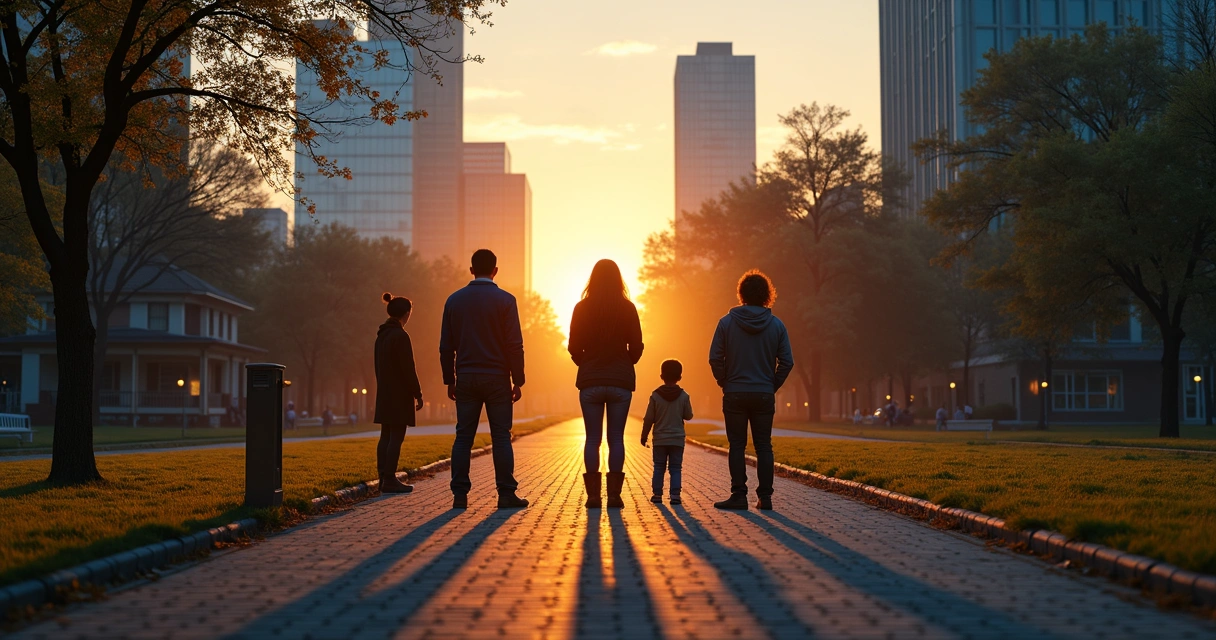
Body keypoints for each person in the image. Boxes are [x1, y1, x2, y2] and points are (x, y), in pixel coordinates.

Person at [441, 249, 528, 509]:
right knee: (501, 436)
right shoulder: (506, 300)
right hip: (497, 378)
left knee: (463, 436)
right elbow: (515, 344)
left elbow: (446, 346)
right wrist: (518, 379)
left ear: (471, 270)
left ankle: (459, 494)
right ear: (495, 270)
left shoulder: (454, 301)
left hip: (466, 376)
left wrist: (450, 379)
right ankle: (505, 493)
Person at [709, 270, 794, 511]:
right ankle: (765, 497)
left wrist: (724, 381)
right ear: (767, 295)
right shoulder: (777, 325)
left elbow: (715, 357)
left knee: (737, 445)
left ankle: (738, 495)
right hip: (763, 393)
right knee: (764, 445)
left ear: (741, 293)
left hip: (735, 392)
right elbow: (787, 361)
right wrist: (772, 384)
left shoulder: (726, 323)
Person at [568, 259, 644, 508]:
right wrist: (626, 361)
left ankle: (592, 497)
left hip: (590, 380)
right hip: (620, 381)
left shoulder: (581, 308)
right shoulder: (628, 308)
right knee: (616, 439)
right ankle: (614, 496)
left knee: (592, 439)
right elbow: (637, 345)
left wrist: (585, 363)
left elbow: (573, 347)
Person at [374, 292, 423, 494]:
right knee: (397, 436)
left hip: (384, 392)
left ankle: (382, 478)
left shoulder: (381, 336)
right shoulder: (401, 336)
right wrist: (417, 393)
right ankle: (390, 479)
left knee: (385, 435)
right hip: (399, 393)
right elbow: (408, 368)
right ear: (406, 313)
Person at [640, 359, 692, 506]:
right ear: (680, 377)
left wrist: (644, 435)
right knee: (675, 467)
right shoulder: (684, 396)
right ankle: (675, 495)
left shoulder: (655, 396)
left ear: (661, 376)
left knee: (659, 467)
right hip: (677, 439)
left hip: (660, 439)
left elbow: (649, 418)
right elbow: (689, 415)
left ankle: (657, 494)